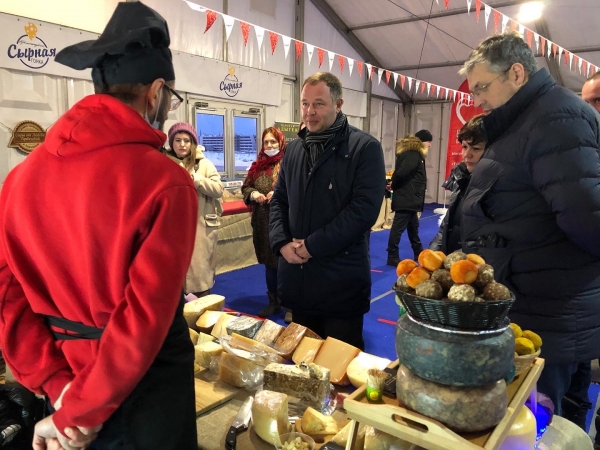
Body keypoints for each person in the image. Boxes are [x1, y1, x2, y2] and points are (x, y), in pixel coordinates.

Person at [0, 3, 198, 450]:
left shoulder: (20, 179)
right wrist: (80, 412)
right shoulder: (165, 183)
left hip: (65, 386)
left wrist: (60, 388)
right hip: (145, 397)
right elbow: (143, 319)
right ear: (157, 91)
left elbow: (7, 296)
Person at [459, 31, 600, 428]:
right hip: (532, 300)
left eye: (483, 87)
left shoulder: (554, 118)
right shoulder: (527, 118)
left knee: (530, 427)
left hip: (548, 310)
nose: (478, 99)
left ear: (517, 73)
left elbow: (587, 218)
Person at [269, 72, 385, 350]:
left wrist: (312, 246)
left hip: (340, 283)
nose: (310, 112)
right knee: (301, 364)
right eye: (305, 103)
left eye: (318, 104)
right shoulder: (295, 150)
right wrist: (282, 243)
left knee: (339, 368)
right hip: (298, 280)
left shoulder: (365, 148)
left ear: (338, 104)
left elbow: (363, 211)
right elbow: (279, 201)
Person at [167, 122, 224, 298]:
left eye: (186, 140)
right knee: (173, 278)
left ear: (193, 143)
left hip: (201, 228)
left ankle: (202, 313)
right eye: (177, 140)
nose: (182, 145)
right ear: (171, 142)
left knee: (199, 275)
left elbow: (218, 189)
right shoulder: (163, 163)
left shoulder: (205, 165)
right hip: (172, 229)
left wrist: (195, 178)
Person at [242, 127, 287, 320]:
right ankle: (273, 302)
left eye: (273, 142)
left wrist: (278, 193)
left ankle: (291, 305)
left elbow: (297, 188)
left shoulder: (288, 163)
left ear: (280, 143)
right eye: (266, 142)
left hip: (284, 221)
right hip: (262, 222)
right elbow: (246, 186)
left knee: (287, 264)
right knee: (270, 265)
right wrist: (253, 194)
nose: (269, 146)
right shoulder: (257, 166)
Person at [429, 115, 486, 254]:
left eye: (476, 148)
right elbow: (446, 227)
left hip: (471, 268)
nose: (467, 154)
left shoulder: (499, 188)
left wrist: (455, 261)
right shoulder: (462, 178)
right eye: (464, 146)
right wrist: (433, 255)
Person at [385, 135, 427, 266]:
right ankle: (392, 255)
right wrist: (394, 184)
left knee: (413, 226)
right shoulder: (413, 154)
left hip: (408, 197)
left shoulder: (410, 154)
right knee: (398, 228)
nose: (429, 145)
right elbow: (402, 172)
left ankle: (418, 252)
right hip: (408, 197)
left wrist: (394, 183)